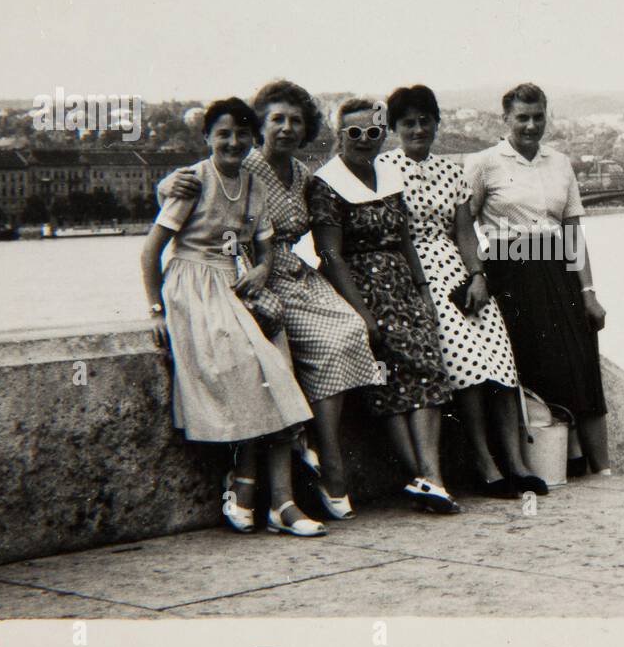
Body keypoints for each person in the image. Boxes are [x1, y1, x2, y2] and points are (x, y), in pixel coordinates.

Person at [158, 81, 384, 521]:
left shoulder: (301, 174)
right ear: (260, 126)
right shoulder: (248, 165)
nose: (286, 128)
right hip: (251, 275)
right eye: (277, 119)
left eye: (295, 121)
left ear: (306, 130)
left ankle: (315, 442)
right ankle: (325, 458)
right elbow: (199, 187)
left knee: (353, 329)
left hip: (293, 271)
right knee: (326, 343)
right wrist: (167, 183)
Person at [140, 97, 325, 537]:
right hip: (193, 286)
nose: (233, 142)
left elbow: (262, 250)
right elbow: (150, 251)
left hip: (232, 281)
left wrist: (262, 270)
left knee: (276, 369)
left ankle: (281, 502)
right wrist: (155, 309)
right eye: (223, 133)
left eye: (242, 134)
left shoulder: (253, 184)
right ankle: (246, 484)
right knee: (248, 368)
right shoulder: (193, 183)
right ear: (207, 137)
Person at [379, 85, 547, 498]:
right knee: (465, 358)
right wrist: (422, 286)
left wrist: (477, 276)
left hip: (455, 267)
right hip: (413, 272)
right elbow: (396, 236)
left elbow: (464, 231)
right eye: (408, 123)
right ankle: (483, 462)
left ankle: (515, 462)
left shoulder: (451, 171)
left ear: (437, 123)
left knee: (499, 353)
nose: (418, 129)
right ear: (395, 128)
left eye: (425, 121)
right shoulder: (385, 168)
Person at [310, 98, 461, 514]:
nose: (364, 140)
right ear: (339, 136)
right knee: (389, 376)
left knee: (428, 365)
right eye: (354, 133)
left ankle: (431, 477)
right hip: (361, 286)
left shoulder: (388, 174)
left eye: (373, 132)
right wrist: (361, 312)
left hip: (401, 283)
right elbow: (331, 255)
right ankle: (423, 476)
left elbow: (405, 239)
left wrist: (424, 290)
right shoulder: (327, 183)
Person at [465, 83, 611, 475]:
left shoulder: (560, 162)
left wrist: (589, 292)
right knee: (531, 365)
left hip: (558, 269)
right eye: (522, 118)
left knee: (582, 365)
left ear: (547, 115)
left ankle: (604, 471)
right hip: (509, 270)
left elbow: (573, 231)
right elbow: (464, 224)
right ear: (505, 119)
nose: (531, 125)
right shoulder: (483, 163)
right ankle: (550, 464)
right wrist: (477, 274)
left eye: (538, 117)